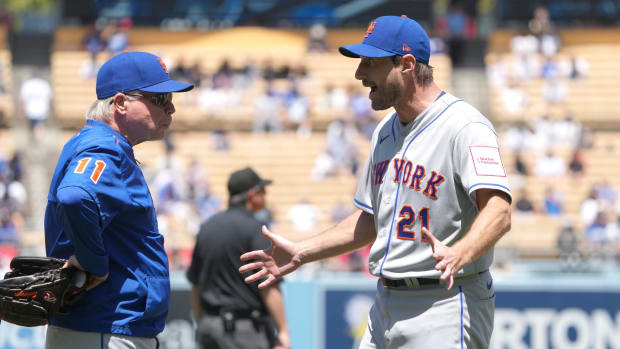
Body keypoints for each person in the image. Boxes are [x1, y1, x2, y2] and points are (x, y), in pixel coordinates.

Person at [239, 15, 512, 349]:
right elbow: (372, 219)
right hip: (386, 300)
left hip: (445, 300)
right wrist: (302, 252)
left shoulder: (465, 125)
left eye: (371, 63)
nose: (359, 74)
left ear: (407, 64)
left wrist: (460, 253)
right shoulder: (385, 130)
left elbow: (499, 210)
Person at [44, 51, 193, 348]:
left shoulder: (98, 143)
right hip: (104, 326)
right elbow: (75, 197)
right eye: (160, 99)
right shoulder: (104, 148)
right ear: (121, 103)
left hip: (102, 326)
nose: (171, 110)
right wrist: (94, 264)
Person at [187, 167, 290, 349]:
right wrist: (283, 330)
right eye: (263, 191)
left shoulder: (207, 228)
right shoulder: (256, 229)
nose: (266, 195)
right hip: (246, 330)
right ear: (252, 194)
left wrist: (202, 322)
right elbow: (268, 283)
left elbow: (196, 283)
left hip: (210, 327)